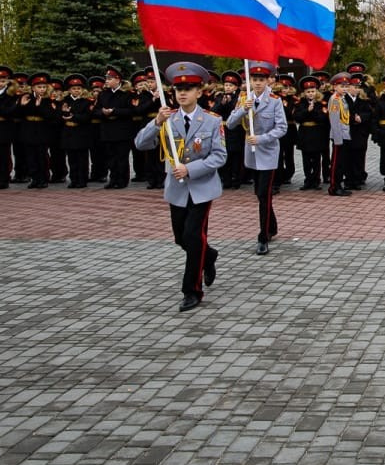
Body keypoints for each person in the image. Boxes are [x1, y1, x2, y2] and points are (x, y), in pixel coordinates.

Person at [134, 61, 225, 312]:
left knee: (193, 237)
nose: (182, 93)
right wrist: (155, 122)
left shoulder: (211, 121)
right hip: (176, 189)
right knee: (180, 238)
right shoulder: (167, 119)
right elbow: (141, 144)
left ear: (200, 92)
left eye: (190, 88)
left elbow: (219, 156)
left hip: (202, 188)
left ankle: (192, 290)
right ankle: (209, 256)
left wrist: (190, 169)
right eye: (178, 90)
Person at [226, 62, 287, 254]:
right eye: (255, 79)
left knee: (264, 194)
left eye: (261, 79)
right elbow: (229, 124)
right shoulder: (245, 98)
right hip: (251, 154)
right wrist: (243, 109)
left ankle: (263, 237)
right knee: (260, 194)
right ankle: (272, 226)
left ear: (268, 80)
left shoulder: (275, 100)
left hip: (268, 152)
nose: (258, 83)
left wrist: (261, 139)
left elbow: (281, 128)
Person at [93, 65, 134, 189]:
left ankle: (122, 180)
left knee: (122, 157)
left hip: (122, 130)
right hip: (107, 129)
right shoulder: (103, 94)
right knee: (110, 157)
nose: (107, 81)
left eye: (110, 78)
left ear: (117, 80)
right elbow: (95, 110)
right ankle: (113, 179)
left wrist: (114, 111)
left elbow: (131, 111)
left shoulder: (126, 94)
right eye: (106, 78)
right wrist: (103, 112)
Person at [18, 72, 59, 189]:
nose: (42, 89)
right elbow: (18, 115)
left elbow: (52, 116)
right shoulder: (26, 98)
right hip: (29, 130)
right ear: (33, 88)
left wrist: (39, 106)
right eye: (39, 87)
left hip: (42, 131)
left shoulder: (48, 100)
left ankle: (43, 179)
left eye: (44, 87)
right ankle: (34, 179)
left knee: (42, 156)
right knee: (30, 157)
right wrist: (22, 105)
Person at [294, 75, 330, 191]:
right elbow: (297, 117)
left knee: (316, 159)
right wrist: (306, 111)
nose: (311, 94)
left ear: (316, 91)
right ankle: (307, 180)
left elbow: (323, 117)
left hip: (317, 134)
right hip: (305, 134)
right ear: (304, 92)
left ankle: (316, 180)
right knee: (306, 160)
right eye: (308, 91)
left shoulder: (322, 103)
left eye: (313, 91)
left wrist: (313, 111)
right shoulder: (300, 103)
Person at [60, 74, 94, 189]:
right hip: (69, 133)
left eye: (79, 88)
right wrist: (64, 113)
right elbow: (58, 116)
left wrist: (72, 116)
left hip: (81, 133)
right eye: (74, 89)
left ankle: (82, 179)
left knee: (82, 159)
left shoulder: (86, 102)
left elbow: (87, 117)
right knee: (71, 159)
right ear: (69, 90)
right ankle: (73, 179)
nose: (76, 91)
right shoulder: (64, 101)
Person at [326, 72, 353, 196]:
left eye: (346, 86)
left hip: (345, 133)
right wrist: (338, 140)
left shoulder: (342, 98)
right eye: (342, 86)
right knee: (336, 163)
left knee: (342, 163)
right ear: (335, 87)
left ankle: (339, 184)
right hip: (339, 136)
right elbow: (334, 120)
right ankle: (334, 187)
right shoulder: (335, 100)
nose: (345, 89)